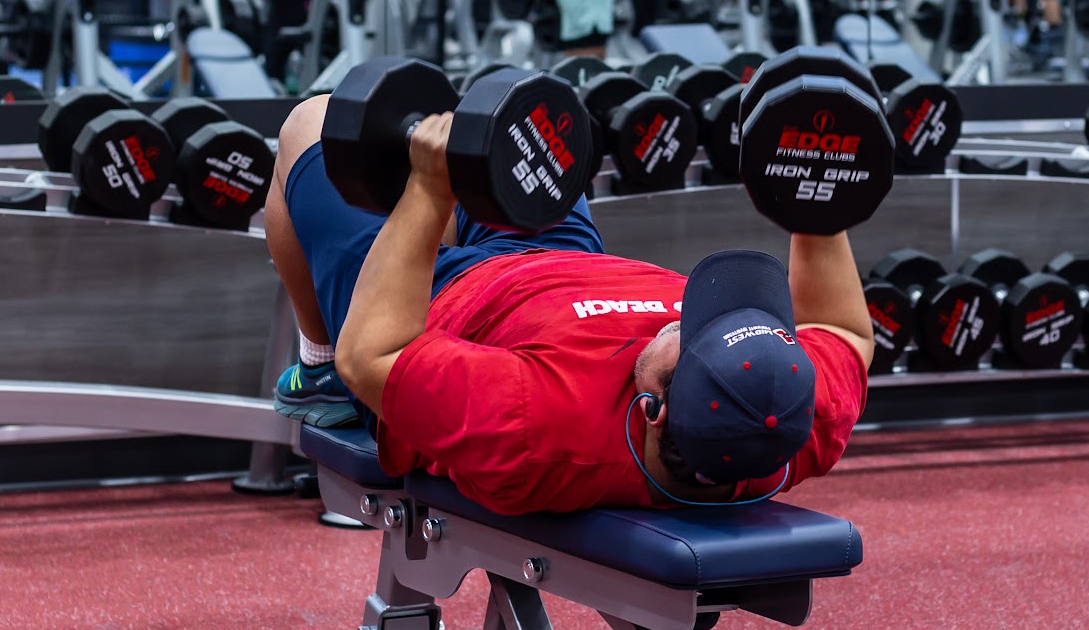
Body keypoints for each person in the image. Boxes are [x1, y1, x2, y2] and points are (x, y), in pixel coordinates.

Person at [260, 87, 874, 515]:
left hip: (437, 300)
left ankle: (318, 371)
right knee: (510, 116)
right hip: (571, 259)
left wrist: (428, 189)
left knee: (314, 122)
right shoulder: (791, 415)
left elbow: (373, 357)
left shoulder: (536, 422)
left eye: (691, 336)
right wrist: (815, 193)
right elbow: (842, 331)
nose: (687, 317)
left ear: (652, 410)